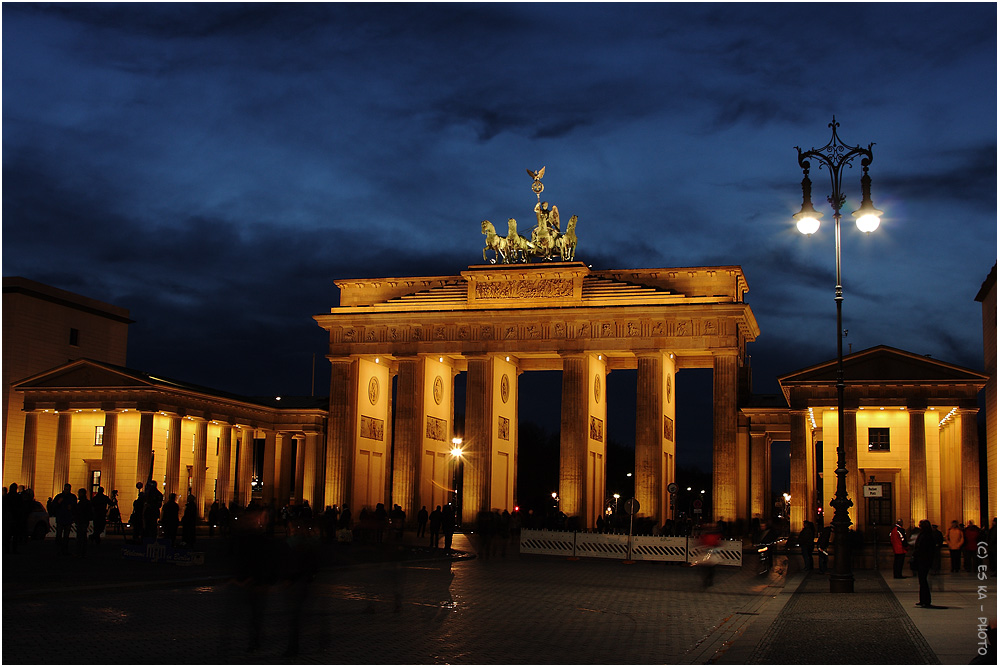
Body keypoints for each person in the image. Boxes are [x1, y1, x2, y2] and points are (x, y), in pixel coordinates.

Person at [913, 519, 937, 608]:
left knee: (923, 580)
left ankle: (925, 600)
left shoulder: (926, 536)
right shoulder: (927, 535)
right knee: (922, 580)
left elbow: (923, 548)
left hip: (923, 560)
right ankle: (923, 599)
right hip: (923, 560)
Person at [53, 483, 77, 556]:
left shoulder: (72, 497)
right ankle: (59, 550)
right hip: (61, 518)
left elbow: (75, 507)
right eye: (66, 489)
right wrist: (58, 503)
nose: (66, 491)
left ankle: (64, 550)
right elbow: (54, 506)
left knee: (66, 536)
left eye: (68, 489)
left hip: (67, 518)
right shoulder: (60, 496)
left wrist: (72, 509)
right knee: (59, 535)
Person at [74, 488, 92, 557]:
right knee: (83, 536)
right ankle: (82, 551)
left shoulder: (82, 503)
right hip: (84, 521)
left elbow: (78, 512)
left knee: (80, 537)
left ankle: (80, 551)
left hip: (81, 521)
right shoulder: (86, 502)